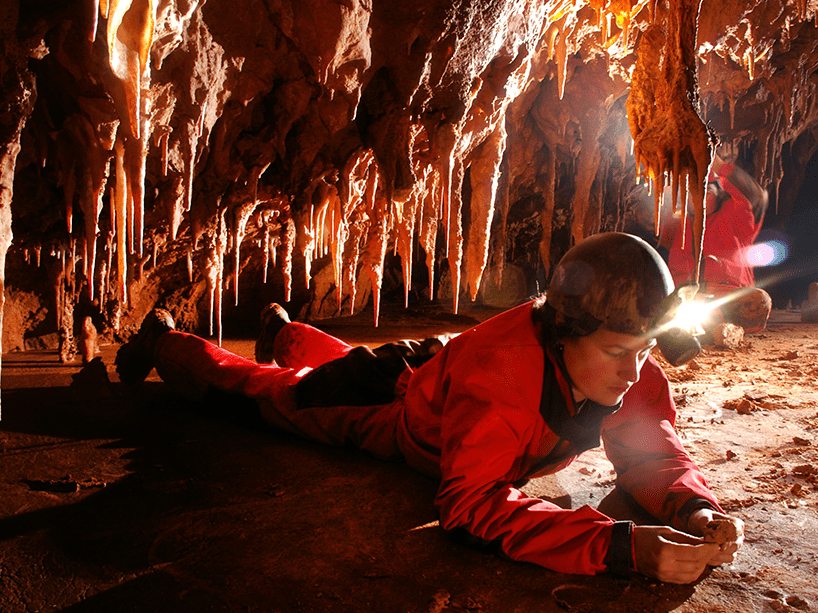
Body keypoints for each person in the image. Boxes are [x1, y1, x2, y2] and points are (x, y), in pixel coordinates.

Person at [116, 232, 744, 584]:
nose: (633, 372)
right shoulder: (503, 381)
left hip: (441, 364)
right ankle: (167, 343)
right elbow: (468, 507)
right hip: (395, 407)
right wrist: (616, 546)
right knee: (272, 395)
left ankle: (283, 329)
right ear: (563, 334)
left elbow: (653, 447)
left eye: (642, 351)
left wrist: (699, 507)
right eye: (615, 352)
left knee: (341, 361)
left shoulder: (622, 360)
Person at [666, 153, 772, 333]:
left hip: (728, 299)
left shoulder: (736, 217)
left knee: (757, 300)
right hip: (684, 301)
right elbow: (643, 213)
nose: (699, 195)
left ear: (719, 194)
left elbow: (755, 197)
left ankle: (720, 328)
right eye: (692, 190)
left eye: (706, 190)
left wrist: (720, 167)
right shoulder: (676, 225)